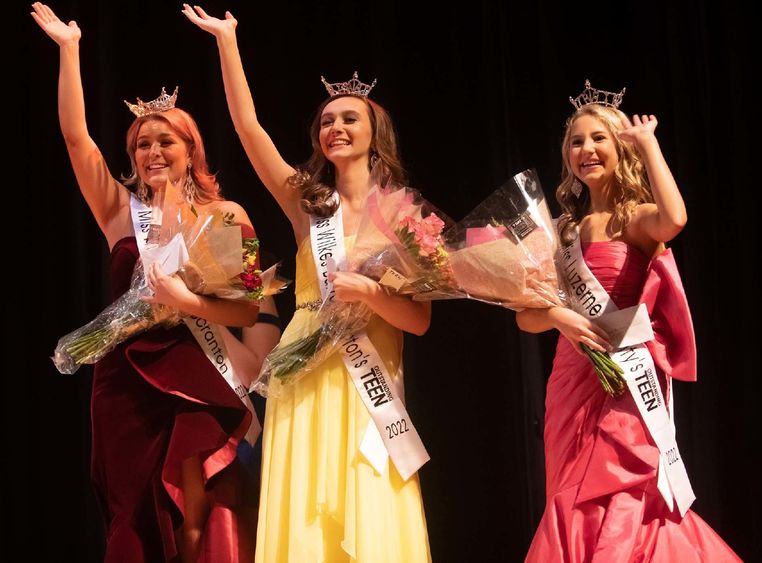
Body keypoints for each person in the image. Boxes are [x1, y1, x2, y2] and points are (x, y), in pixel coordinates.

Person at [183, 6, 432, 562]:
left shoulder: (403, 214)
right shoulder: (306, 204)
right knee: (307, 495)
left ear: (375, 133)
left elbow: (419, 320)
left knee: (363, 484)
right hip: (305, 369)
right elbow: (249, 129)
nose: (335, 128)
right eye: (326, 122)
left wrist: (369, 293)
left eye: (349, 119)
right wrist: (228, 43)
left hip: (367, 375)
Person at [32, 3, 269, 561]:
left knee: (198, 515)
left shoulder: (227, 215)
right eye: (142, 144)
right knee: (135, 508)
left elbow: (243, 311)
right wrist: (70, 51)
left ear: (191, 152)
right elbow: (74, 137)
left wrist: (185, 300)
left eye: (167, 141)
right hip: (123, 381)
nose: (154, 151)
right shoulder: (118, 211)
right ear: (133, 158)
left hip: (197, 372)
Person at [516, 81, 741, 561]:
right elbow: (525, 315)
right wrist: (561, 318)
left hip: (627, 373)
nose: (587, 150)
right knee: (569, 485)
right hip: (572, 375)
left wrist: (650, 145)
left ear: (621, 147)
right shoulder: (562, 230)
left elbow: (675, 218)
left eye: (599, 138)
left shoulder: (635, 218)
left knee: (622, 481)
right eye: (576, 141)